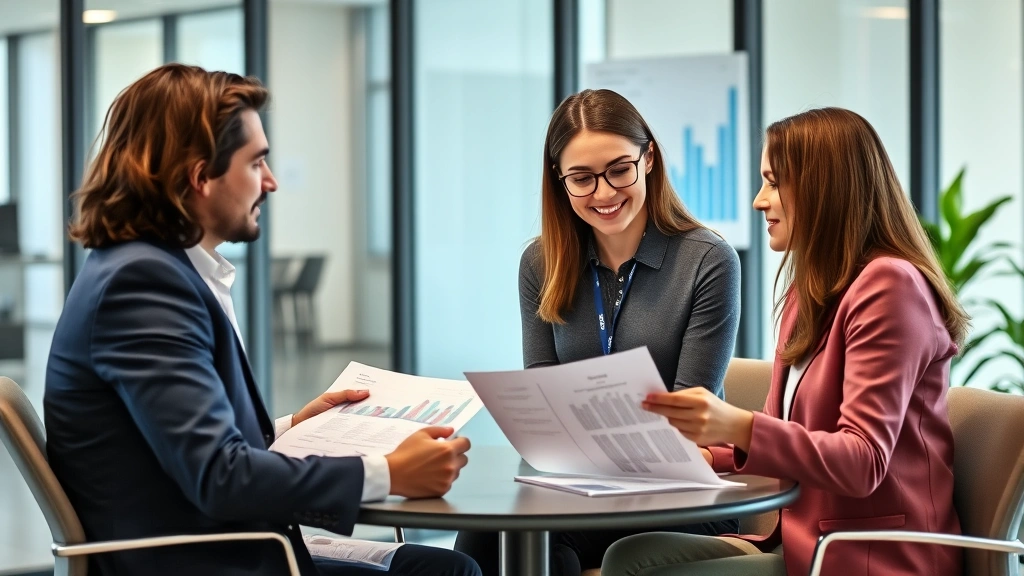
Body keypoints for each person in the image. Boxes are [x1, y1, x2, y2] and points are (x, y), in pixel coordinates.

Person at [44, 63, 480, 576]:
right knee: (449, 571)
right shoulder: (142, 284)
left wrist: (290, 427)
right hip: (205, 559)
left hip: (217, 542)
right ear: (199, 174)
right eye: (256, 163)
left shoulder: (148, 267)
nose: (271, 182)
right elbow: (219, 478)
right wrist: (389, 474)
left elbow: (169, 445)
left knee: (438, 566)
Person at [601, 107, 966, 576]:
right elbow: (788, 427)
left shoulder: (890, 287)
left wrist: (737, 425)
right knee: (627, 558)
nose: (759, 201)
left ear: (824, 188)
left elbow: (863, 460)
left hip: (871, 555)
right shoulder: (810, 290)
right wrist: (706, 455)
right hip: (803, 540)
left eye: (773, 182)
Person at [454, 89, 741, 576]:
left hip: (675, 493)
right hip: (578, 481)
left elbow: (688, 409)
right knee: (485, 532)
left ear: (648, 159)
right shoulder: (540, 263)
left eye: (618, 170)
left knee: (540, 541)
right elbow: (542, 387)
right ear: (560, 182)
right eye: (582, 179)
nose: (604, 194)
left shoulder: (707, 261)